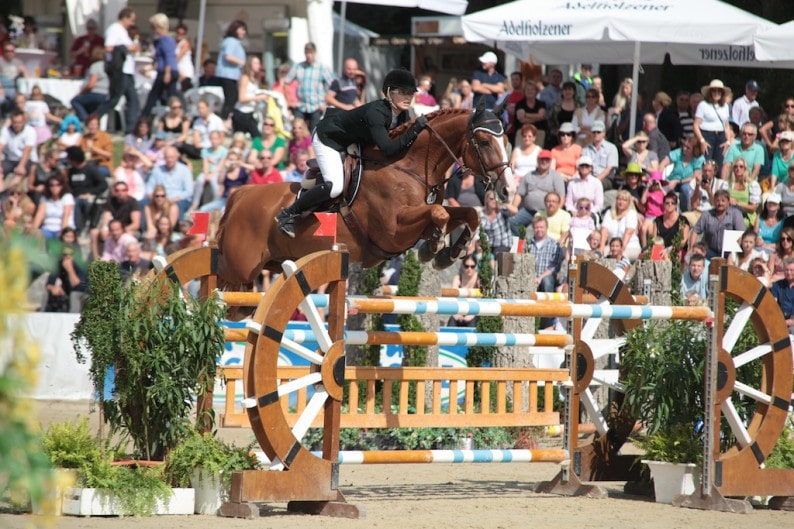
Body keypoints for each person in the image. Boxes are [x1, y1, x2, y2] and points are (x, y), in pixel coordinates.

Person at [275, 69, 428, 237]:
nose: (408, 97)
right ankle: (288, 213)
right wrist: (415, 130)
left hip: (352, 140)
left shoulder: (402, 114)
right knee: (334, 187)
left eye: (411, 93)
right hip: (329, 138)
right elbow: (388, 149)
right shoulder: (376, 114)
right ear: (390, 93)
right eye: (403, 93)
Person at [94, 8, 140, 133]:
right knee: (114, 100)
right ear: (124, 17)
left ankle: (131, 128)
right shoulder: (114, 29)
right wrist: (126, 48)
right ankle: (93, 119)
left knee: (133, 100)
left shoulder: (123, 31)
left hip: (127, 71)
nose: (132, 23)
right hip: (119, 71)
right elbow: (109, 47)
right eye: (131, 20)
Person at [508, 148, 564, 234]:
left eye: (547, 160)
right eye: (542, 159)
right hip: (528, 211)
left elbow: (561, 197)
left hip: (547, 212)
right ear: (537, 160)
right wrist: (514, 207)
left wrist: (556, 213)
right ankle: (522, 244)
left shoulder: (556, 176)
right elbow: (519, 194)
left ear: (550, 161)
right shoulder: (528, 175)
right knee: (511, 222)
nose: (544, 161)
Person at [286, 42, 335, 131]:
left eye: (311, 53)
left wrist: (327, 103)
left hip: (316, 106)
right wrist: (289, 100)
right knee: (297, 130)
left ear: (315, 53)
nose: (309, 55)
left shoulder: (322, 67)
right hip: (301, 105)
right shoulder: (298, 66)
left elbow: (334, 85)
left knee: (314, 132)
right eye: (307, 53)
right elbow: (286, 82)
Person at [140, 13, 179, 119]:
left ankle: (144, 118)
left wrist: (167, 73)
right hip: (167, 70)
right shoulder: (166, 40)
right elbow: (160, 59)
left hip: (167, 72)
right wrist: (151, 67)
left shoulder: (165, 40)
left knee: (155, 96)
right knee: (169, 96)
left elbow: (168, 58)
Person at [527, 216, 563, 329]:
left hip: (546, 276)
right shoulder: (528, 244)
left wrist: (539, 278)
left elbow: (555, 266)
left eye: (541, 227)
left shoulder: (554, 244)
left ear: (546, 228)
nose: (539, 229)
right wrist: (532, 278)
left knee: (546, 281)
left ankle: (548, 311)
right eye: (537, 227)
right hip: (531, 276)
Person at [689, 189, 745, 258]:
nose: (720, 203)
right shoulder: (707, 214)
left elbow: (740, 234)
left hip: (730, 252)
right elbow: (695, 231)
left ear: (728, 202)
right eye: (717, 201)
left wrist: (733, 254)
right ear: (714, 201)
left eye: (723, 201)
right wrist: (691, 248)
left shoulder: (736, 214)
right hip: (710, 251)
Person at [146, 146, 194, 217]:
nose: (169, 160)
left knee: (177, 208)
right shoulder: (157, 170)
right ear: (164, 158)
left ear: (176, 158)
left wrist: (174, 199)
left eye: (171, 157)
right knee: (143, 204)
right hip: (159, 198)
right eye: (167, 157)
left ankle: (174, 227)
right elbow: (149, 186)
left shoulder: (185, 170)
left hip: (178, 199)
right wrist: (151, 195)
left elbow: (189, 191)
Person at [694, 79, 732, 168]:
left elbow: (726, 126)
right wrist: (702, 140)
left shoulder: (725, 106)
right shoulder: (703, 105)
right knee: (706, 164)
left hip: (721, 136)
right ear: (710, 92)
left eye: (719, 91)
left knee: (719, 165)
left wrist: (728, 141)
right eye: (714, 91)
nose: (716, 93)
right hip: (707, 135)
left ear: (722, 93)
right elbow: (696, 125)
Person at [199, 148, 249, 212]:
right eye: (230, 159)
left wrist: (241, 164)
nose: (232, 162)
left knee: (223, 211)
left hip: (238, 199)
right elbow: (219, 181)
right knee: (203, 209)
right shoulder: (226, 172)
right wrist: (225, 169)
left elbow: (253, 168)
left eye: (234, 160)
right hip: (225, 199)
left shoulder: (243, 171)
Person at [217, 20, 247, 122]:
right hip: (228, 74)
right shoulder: (231, 41)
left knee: (232, 98)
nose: (244, 32)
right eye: (242, 29)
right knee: (231, 98)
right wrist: (242, 63)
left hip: (232, 75)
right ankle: (224, 119)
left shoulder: (234, 42)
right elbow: (228, 56)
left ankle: (228, 119)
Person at [0, 109, 37, 191]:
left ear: (23, 122)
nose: (17, 125)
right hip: (9, 159)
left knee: (19, 174)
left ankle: (8, 192)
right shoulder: (6, 130)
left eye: (19, 122)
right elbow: (1, 146)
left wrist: (21, 165)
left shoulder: (30, 131)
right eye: (15, 122)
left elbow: (27, 150)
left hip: (25, 159)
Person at [70, 46, 110, 122]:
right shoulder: (109, 66)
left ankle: (86, 121)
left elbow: (91, 84)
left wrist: (81, 92)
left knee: (75, 101)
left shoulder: (95, 66)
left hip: (97, 93)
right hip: (107, 95)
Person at [232, 56, 268, 138]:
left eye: (259, 63)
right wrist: (257, 98)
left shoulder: (255, 80)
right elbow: (241, 98)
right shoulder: (244, 78)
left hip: (251, 112)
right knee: (241, 138)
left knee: (256, 137)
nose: (258, 65)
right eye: (256, 63)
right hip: (241, 113)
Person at [601, 189, 641, 261]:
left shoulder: (631, 213)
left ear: (629, 203)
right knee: (600, 255)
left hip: (630, 246)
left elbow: (628, 233)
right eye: (619, 199)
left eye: (624, 200)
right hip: (612, 247)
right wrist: (601, 248)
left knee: (622, 256)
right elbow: (604, 231)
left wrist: (621, 251)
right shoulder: (609, 213)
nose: (621, 202)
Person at [582, 119, 618, 189]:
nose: (596, 134)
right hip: (588, 177)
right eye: (594, 132)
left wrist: (595, 180)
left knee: (597, 185)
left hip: (605, 179)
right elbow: (583, 166)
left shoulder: (611, 148)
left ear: (604, 133)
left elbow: (609, 169)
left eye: (598, 132)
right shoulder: (585, 149)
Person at [725, 158, 761, 228]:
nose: (738, 169)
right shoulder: (727, 184)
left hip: (746, 216)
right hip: (729, 214)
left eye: (741, 167)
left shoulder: (752, 185)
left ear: (745, 169)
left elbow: (753, 207)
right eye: (735, 166)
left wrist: (737, 204)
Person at [448, 255, 480, 327]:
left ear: (476, 266)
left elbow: (481, 300)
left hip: (474, 312)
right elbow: (452, 299)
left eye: (472, 266)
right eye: (466, 266)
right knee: (451, 323)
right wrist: (456, 314)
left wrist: (471, 315)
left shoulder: (479, 280)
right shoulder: (458, 279)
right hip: (459, 311)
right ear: (462, 266)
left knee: (472, 324)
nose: (469, 269)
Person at [513, 82, 547, 147]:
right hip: (522, 132)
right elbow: (521, 119)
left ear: (536, 91)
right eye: (527, 89)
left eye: (532, 89)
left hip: (539, 132)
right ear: (524, 91)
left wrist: (525, 114)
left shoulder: (541, 104)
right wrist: (537, 117)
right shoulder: (520, 104)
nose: (530, 91)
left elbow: (542, 116)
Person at [0, 43, 28, 115]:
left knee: (19, 100)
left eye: (11, 51)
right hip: (2, 87)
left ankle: (11, 117)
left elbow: (27, 77)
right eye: (7, 51)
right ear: (4, 51)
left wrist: (24, 71)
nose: (9, 53)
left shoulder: (18, 62)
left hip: (14, 87)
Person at [770, 257, 794, 334]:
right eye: (787, 270)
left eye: (791, 270)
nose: (789, 272)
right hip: (780, 320)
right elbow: (773, 305)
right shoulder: (777, 285)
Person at [174, 23, 194, 92]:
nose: (179, 35)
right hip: (178, 69)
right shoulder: (174, 42)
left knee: (184, 90)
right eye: (178, 33)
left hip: (184, 70)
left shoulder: (185, 43)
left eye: (182, 33)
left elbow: (178, 57)